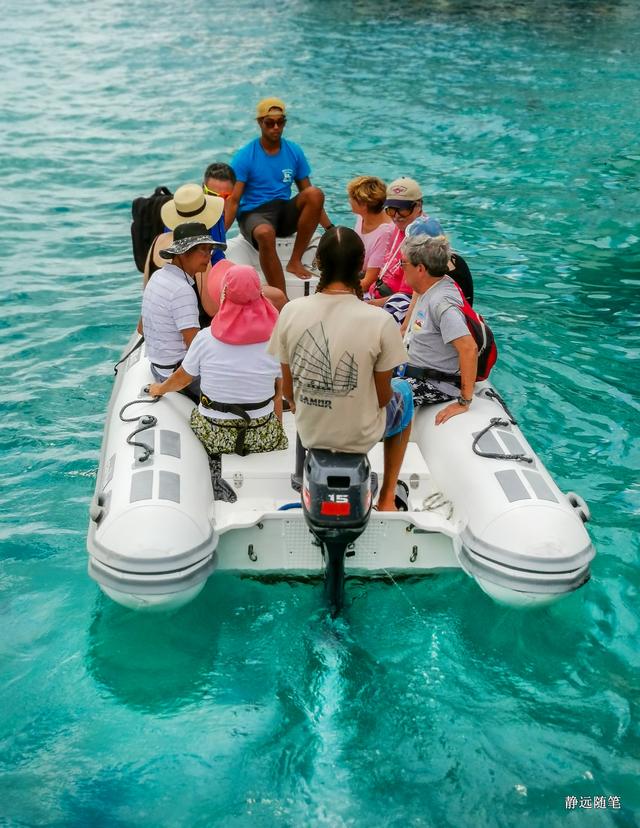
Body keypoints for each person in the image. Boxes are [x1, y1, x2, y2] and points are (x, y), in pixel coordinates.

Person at [268, 226, 414, 512]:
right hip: (360, 434)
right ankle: (386, 499)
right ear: (361, 266)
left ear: (318, 263)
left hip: (310, 430)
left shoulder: (291, 311)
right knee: (404, 393)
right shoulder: (380, 321)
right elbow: (385, 399)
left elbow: (288, 392)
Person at [148, 264, 288, 465]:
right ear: (260, 294)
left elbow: (182, 379)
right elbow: (278, 392)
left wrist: (159, 389)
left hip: (214, 434)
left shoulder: (205, 338)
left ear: (224, 294)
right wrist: (275, 431)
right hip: (261, 434)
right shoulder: (276, 340)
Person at [225, 97, 332, 295]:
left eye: (280, 122)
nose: (275, 127)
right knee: (265, 233)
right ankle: (280, 300)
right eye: (269, 123)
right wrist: (218, 235)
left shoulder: (293, 151)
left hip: (282, 211)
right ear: (260, 123)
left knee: (315, 194)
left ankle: (295, 261)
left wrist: (331, 228)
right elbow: (233, 200)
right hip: (253, 213)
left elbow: (309, 195)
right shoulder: (245, 155)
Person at [400, 234, 478, 425]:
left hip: (436, 384)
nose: (400, 268)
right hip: (415, 369)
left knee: (383, 397)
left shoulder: (441, 303)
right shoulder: (428, 289)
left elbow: (469, 348)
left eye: (403, 263)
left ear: (420, 269)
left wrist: (464, 401)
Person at [141, 222, 221, 398]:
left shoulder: (158, 276)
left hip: (158, 367)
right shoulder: (182, 290)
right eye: (203, 250)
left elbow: (141, 328)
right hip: (175, 373)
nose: (208, 256)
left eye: (210, 250)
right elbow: (194, 347)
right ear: (183, 253)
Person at [142, 183, 225, 323]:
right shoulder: (198, 254)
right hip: (191, 331)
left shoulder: (158, 241)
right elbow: (212, 309)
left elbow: (146, 289)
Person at [346, 175, 394, 292]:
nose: (349, 200)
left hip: (371, 283)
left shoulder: (385, 232)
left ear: (363, 205)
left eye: (352, 198)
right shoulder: (361, 216)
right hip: (358, 271)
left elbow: (368, 282)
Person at [203, 162, 236, 265]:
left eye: (224, 196)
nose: (218, 201)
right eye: (212, 195)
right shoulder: (191, 218)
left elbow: (218, 257)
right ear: (203, 189)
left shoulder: (220, 216)